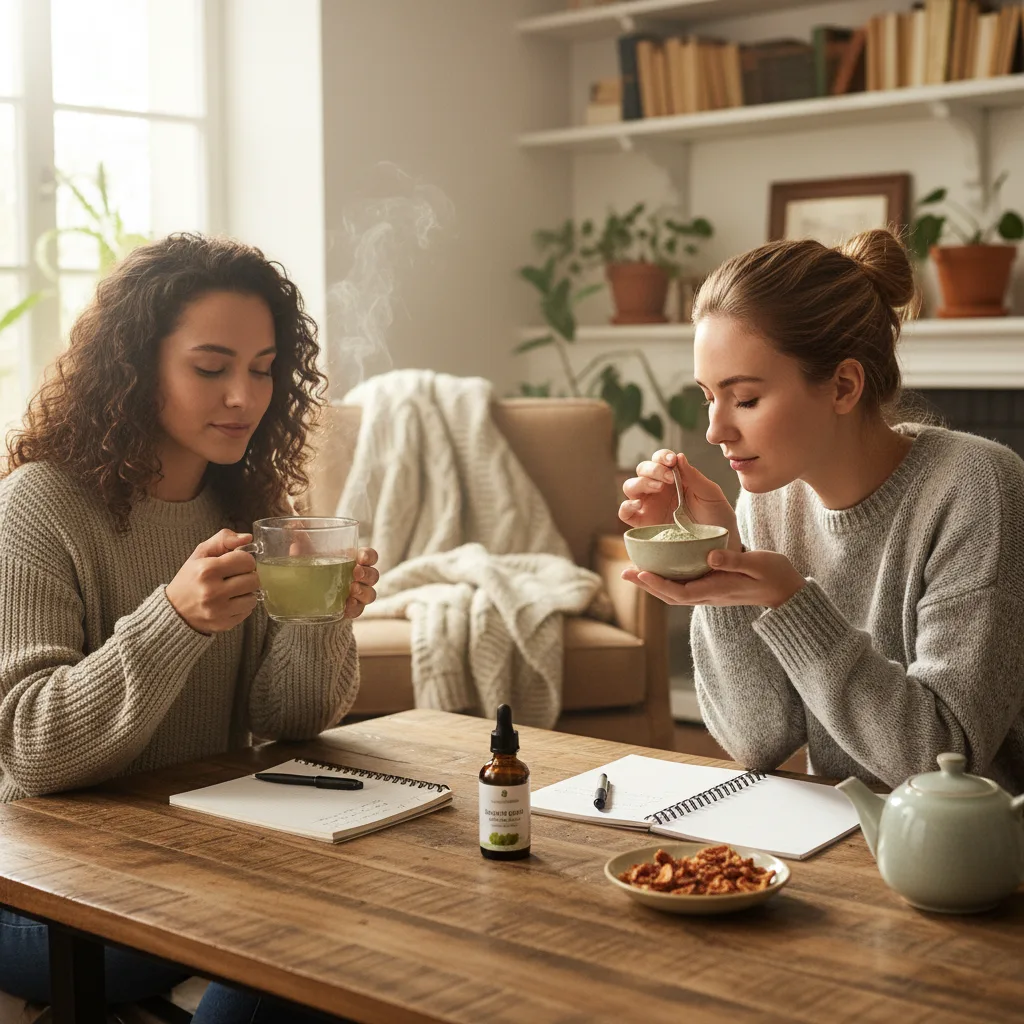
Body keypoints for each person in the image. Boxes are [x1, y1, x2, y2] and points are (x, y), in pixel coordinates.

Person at [0, 233, 378, 1023]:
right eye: (211, 368)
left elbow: (288, 721)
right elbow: (32, 750)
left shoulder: (247, 506)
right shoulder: (39, 506)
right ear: (133, 371)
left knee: (336, 933)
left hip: (193, 849)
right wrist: (174, 618)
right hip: (40, 888)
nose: (243, 395)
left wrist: (321, 615)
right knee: (279, 919)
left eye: (264, 369)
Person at [619, 228, 1024, 794]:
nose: (714, 430)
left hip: (973, 857)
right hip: (841, 832)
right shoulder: (768, 498)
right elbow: (758, 742)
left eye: (747, 399)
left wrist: (791, 601)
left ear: (842, 386)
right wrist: (715, 559)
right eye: (709, 396)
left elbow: (943, 760)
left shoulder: (978, 487)